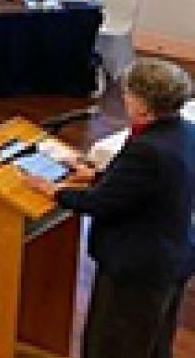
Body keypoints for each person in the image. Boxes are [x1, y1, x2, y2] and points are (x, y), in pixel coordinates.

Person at [25, 59, 194, 358]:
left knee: (113, 346)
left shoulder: (148, 148)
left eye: (129, 93)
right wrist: (97, 176)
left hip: (138, 267)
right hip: (172, 256)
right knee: (153, 344)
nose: (124, 98)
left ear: (144, 105)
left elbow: (101, 204)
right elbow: (149, 186)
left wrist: (56, 192)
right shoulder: (183, 131)